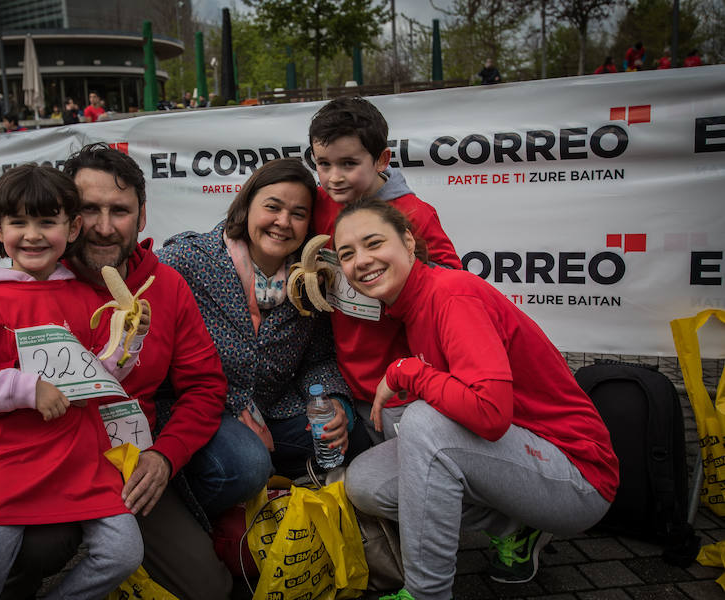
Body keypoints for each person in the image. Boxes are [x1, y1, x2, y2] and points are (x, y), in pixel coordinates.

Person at [0, 143, 261, 600]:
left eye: (120, 210)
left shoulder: (165, 285)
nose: (103, 226)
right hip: (37, 458)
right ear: (70, 215)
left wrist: (165, 456)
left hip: (124, 459)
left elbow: (205, 386)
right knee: (36, 547)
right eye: (89, 209)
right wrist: (26, 382)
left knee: (207, 586)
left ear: (142, 216)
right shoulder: (24, 283)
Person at [332, 199, 618, 600]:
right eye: (347, 254)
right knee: (366, 484)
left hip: (579, 478)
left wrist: (405, 371)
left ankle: (426, 593)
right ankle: (516, 526)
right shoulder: (411, 306)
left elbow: (490, 414)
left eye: (373, 242)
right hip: (523, 461)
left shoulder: (451, 294)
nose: (361, 260)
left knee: (422, 423)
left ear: (409, 242)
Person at [0, 164, 145, 599]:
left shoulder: (86, 295)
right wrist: (27, 389)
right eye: (19, 222)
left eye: (47, 221)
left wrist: (129, 342)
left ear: (72, 226)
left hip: (84, 461)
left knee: (123, 554)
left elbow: (100, 378)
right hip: (7, 465)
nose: (33, 234)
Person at [156, 158, 370, 479]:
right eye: (273, 207)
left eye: (298, 214)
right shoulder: (188, 260)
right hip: (198, 413)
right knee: (247, 464)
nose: (283, 222)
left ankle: (269, 483)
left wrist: (334, 404)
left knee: (352, 437)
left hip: (272, 412)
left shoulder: (308, 277)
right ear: (246, 206)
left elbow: (318, 359)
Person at [308, 95, 460, 441]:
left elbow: (455, 288)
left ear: (381, 159)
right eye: (324, 164)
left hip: (402, 388)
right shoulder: (319, 203)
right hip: (346, 380)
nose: (334, 178)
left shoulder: (415, 215)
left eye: (348, 163)